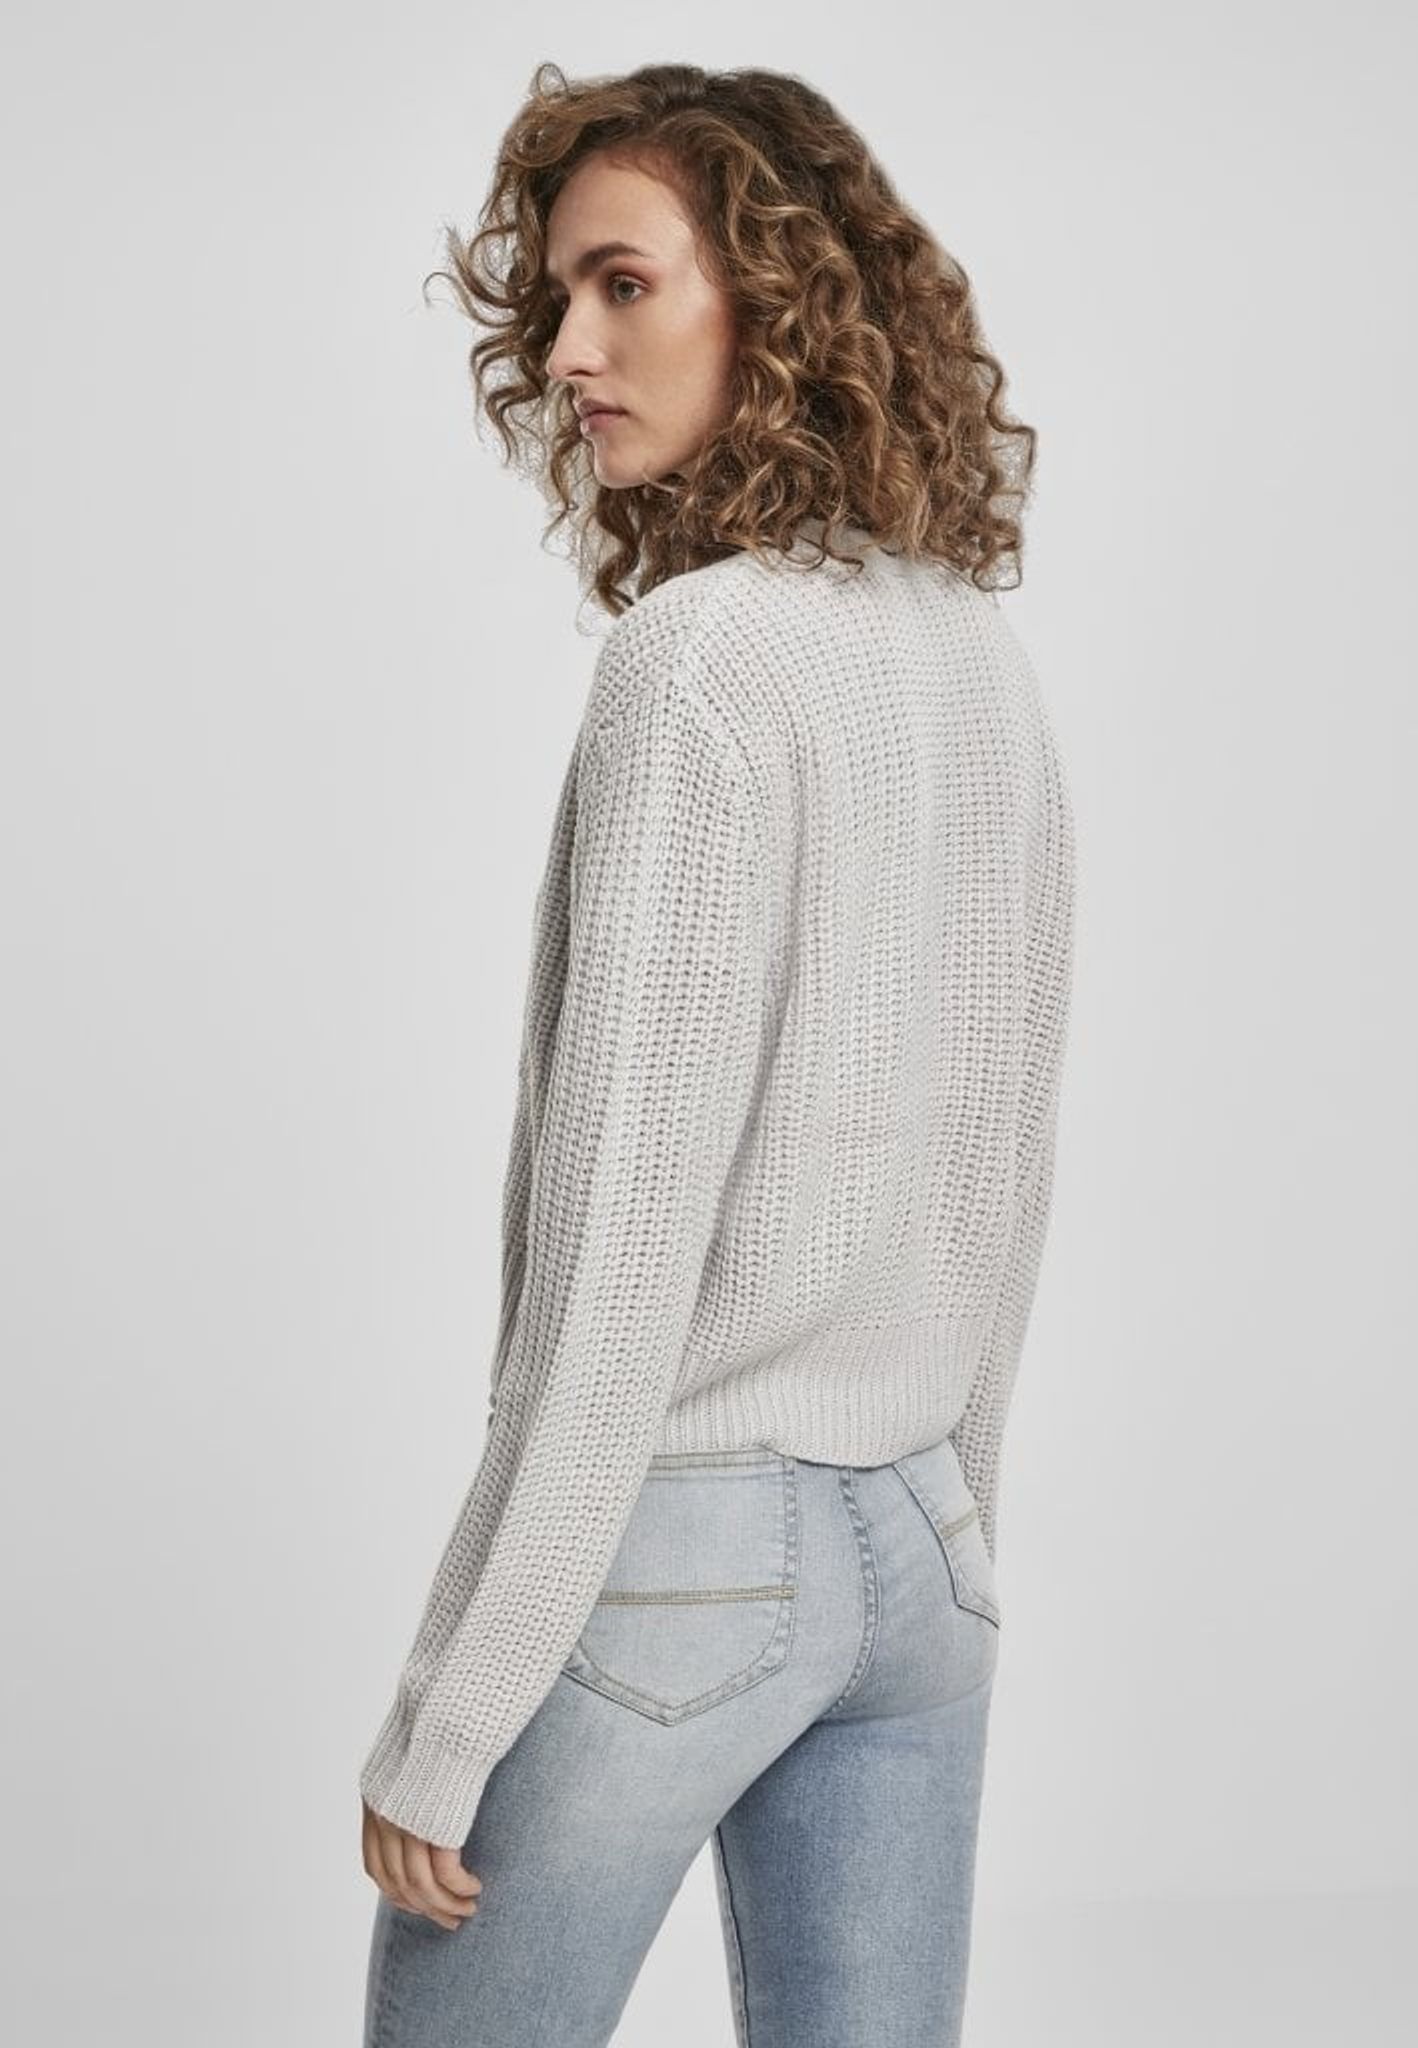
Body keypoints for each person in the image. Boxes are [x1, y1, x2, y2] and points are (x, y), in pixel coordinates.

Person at [358, 59, 1075, 2048]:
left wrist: (453, 1704)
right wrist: (963, 1533)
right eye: (554, 303)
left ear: (780, 300)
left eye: (624, 286)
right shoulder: (974, 654)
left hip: (677, 1548)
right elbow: (1007, 1170)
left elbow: (617, 1256)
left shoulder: (697, 663)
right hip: (918, 1546)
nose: (568, 356)